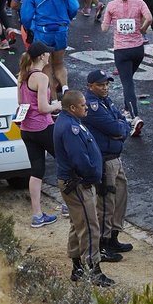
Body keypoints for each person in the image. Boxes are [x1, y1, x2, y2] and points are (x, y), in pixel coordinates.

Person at [55, 90, 112, 286]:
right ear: (72, 107)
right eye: (82, 105)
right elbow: (79, 159)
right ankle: (93, 270)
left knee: (77, 224)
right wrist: (91, 176)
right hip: (78, 184)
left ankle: (77, 266)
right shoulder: (71, 128)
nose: (86, 107)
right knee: (89, 226)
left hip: (75, 183)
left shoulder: (70, 121)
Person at [82, 70, 134, 259]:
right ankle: (103, 244)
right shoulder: (92, 105)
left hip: (115, 157)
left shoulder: (106, 101)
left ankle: (113, 236)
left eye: (106, 84)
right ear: (90, 86)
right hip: (104, 160)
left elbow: (121, 121)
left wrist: (122, 127)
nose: (105, 88)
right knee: (107, 202)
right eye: (101, 85)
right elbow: (115, 127)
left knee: (120, 196)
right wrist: (122, 128)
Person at [18, 41, 63, 229]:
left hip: (26, 129)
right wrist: (57, 106)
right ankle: (68, 204)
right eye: (47, 54)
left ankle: (37, 214)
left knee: (36, 170)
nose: (49, 56)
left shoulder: (21, 76)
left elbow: (21, 104)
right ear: (42, 56)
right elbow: (44, 108)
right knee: (65, 160)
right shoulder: (41, 78)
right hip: (42, 127)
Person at [101, 0, 152, 136]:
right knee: (128, 79)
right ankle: (126, 108)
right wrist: (142, 29)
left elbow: (104, 28)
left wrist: (110, 19)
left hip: (121, 51)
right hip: (138, 50)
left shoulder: (112, 5)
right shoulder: (139, 3)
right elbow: (149, 18)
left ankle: (135, 116)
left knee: (127, 83)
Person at [20, 0, 79, 92]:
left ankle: (53, 102)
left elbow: (26, 15)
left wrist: (28, 28)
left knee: (46, 66)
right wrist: (67, 19)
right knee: (59, 64)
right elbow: (74, 7)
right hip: (61, 28)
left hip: (42, 31)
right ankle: (65, 89)